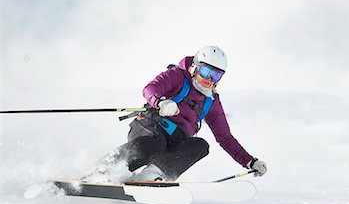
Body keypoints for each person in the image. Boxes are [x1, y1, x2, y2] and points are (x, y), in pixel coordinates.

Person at [85, 45, 267, 183]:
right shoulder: (177, 76)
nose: (209, 79)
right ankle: (104, 169)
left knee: (200, 146)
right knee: (153, 144)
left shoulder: (212, 101)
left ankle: (153, 174)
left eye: (216, 75)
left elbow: (225, 138)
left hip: (176, 138)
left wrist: (250, 162)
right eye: (206, 71)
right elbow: (150, 88)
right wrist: (160, 101)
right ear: (195, 67)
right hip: (150, 126)